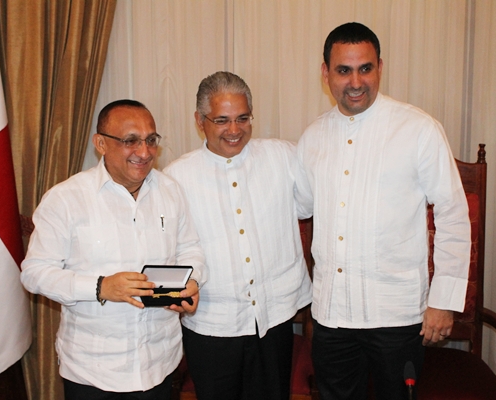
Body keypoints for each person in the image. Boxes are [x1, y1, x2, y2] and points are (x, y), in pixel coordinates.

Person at [297, 22, 471, 400]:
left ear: (380, 67)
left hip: (397, 316)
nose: (356, 81)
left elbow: (454, 214)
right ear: (325, 73)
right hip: (332, 316)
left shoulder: (418, 129)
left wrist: (442, 301)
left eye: (366, 68)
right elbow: (300, 205)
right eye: (344, 70)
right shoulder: (312, 137)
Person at [21, 100, 205, 400]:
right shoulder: (66, 199)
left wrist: (191, 282)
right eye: (130, 141)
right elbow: (34, 273)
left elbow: (190, 249)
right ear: (101, 144)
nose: (144, 152)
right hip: (93, 371)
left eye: (150, 140)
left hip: (160, 361)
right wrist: (100, 286)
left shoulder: (171, 191)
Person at [163, 71, 312, 400]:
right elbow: (165, 249)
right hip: (212, 325)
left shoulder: (284, 157)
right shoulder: (175, 178)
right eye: (222, 120)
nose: (234, 130)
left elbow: (309, 208)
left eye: (243, 118)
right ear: (200, 120)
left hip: (273, 319)